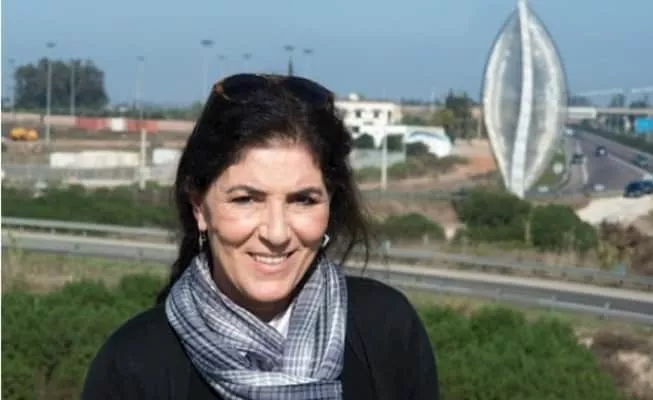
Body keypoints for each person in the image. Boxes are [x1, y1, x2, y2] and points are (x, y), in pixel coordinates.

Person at [81, 73, 439, 399]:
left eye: (303, 200)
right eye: (246, 199)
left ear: (330, 205)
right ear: (199, 207)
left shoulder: (385, 331)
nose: (277, 233)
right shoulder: (134, 367)